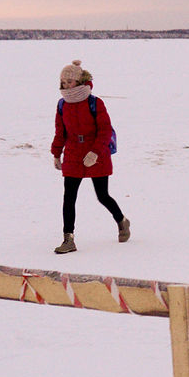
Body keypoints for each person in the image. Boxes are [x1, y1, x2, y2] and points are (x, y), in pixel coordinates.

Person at [50, 60, 127, 254]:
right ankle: (68, 239)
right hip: (73, 153)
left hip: (97, 153)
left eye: (70, 81)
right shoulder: (62, 105)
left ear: (80, 81)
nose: (67, 85)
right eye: (63, 82)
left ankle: (122, 220)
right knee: (69, 197)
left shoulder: (95, 102)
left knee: (102, 196)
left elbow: (105, 130)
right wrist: (56, 153)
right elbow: (61, 132)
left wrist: (95, 152)